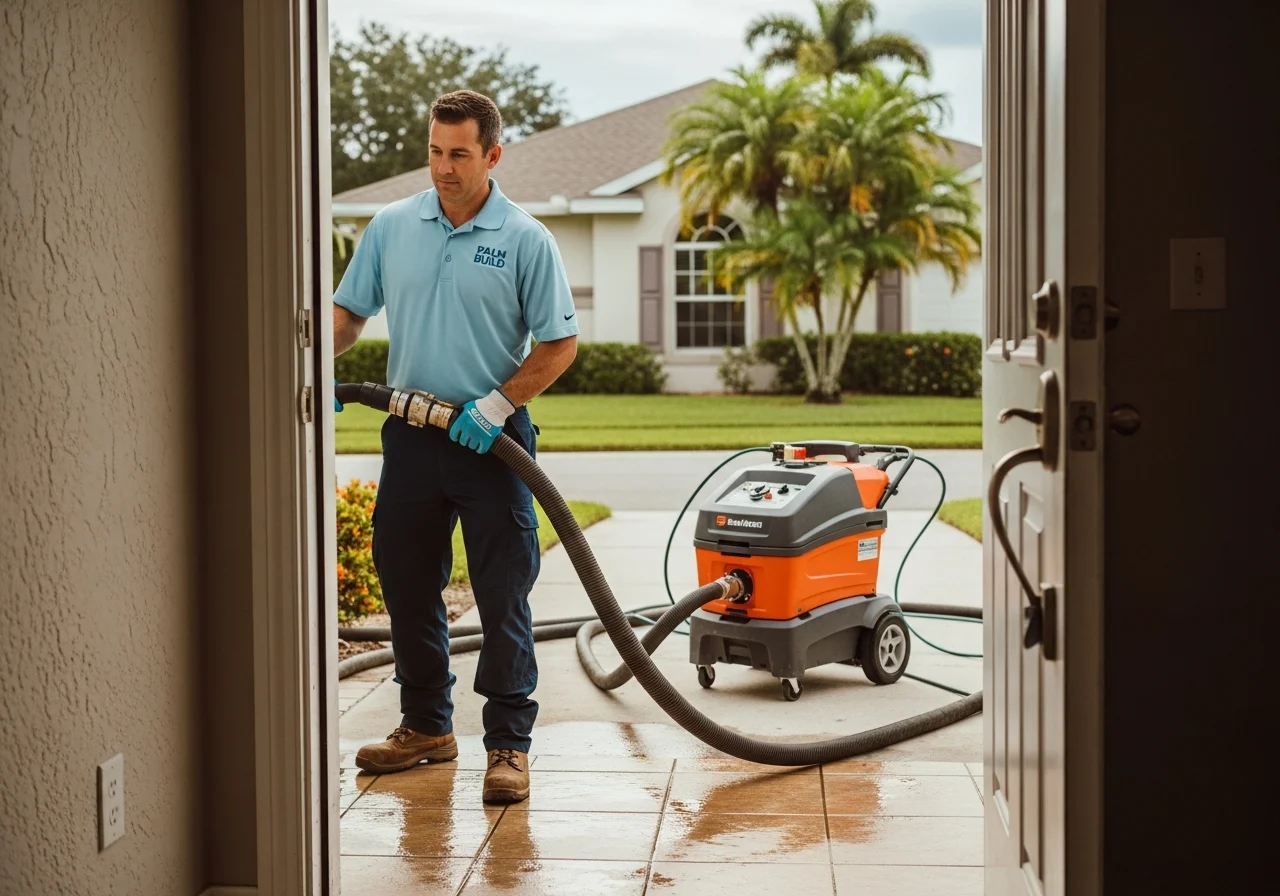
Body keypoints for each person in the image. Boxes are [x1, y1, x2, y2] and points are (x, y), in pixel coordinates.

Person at [331, 89, 579, 804]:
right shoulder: (390, 226)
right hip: (410, 433)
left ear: (493, 155)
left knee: (503, 594)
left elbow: (559, 344)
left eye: (459, 154)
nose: (443, 168)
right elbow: (349, 313)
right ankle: (426, 728)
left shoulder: (527, 238)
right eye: (436, 152)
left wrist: (497, 405)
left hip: (491, 439)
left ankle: (508, 744)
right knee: (408, 583)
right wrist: (312, 360)